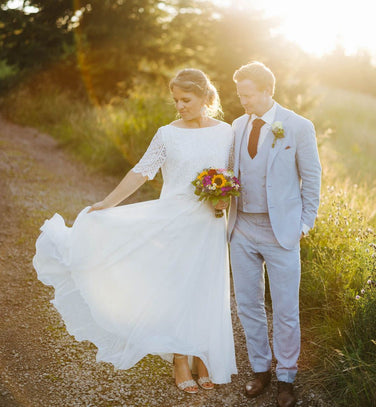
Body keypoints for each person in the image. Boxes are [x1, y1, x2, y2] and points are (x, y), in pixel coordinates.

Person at [33, 68, 237, 394]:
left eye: (186, 100)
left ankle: (203, 353)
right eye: (176, 100)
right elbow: (142, 171)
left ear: (206, 98)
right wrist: (108, 202)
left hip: (210, 224)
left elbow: (232, 175)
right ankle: (180, 359)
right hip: (173, 222)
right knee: (177, 288)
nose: (179, 106)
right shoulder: (167, 134)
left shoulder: (227, 132)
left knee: (206, 287)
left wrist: (223, 202)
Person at [227, 61, 321, 407]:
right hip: (242, 229)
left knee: (285, 308)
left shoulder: (298, 126)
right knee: (248, 304)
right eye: (240, 95)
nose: (243, 102)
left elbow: (312, 179)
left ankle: (287, 377)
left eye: (247, 95)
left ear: (268, 91)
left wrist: (304, 225)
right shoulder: (237, 126)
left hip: (283, 233)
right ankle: (260, 369)